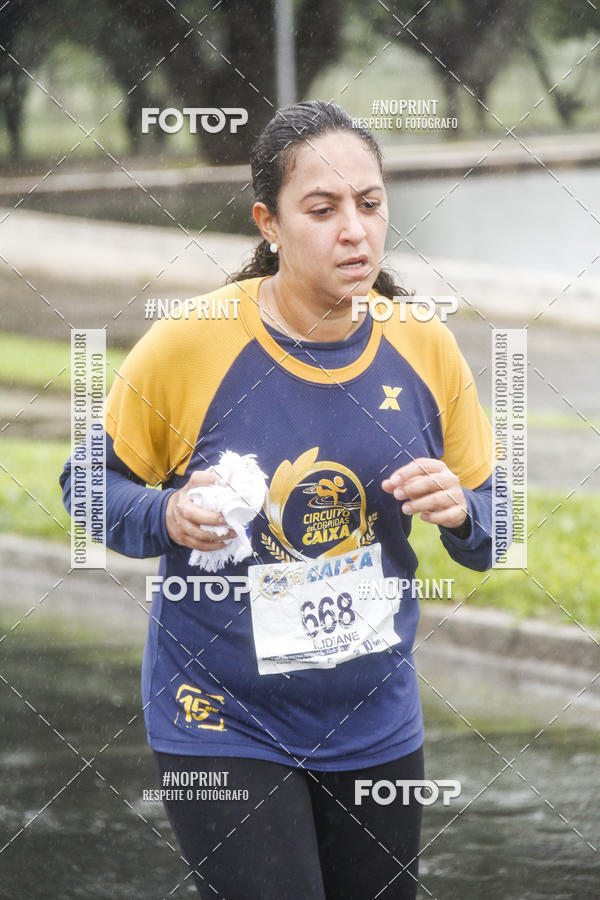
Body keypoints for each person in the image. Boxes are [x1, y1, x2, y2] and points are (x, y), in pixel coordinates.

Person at [60, 100, 495, 899]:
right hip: (221, 713)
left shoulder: (424, 344)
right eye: (322, 210)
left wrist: (464, 511)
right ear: (269, 222)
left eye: (369, 205)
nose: (354, 230)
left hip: (372, 714)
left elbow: (494, 529)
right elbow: (85, 486)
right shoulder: (190, 344)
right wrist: (164, 515)